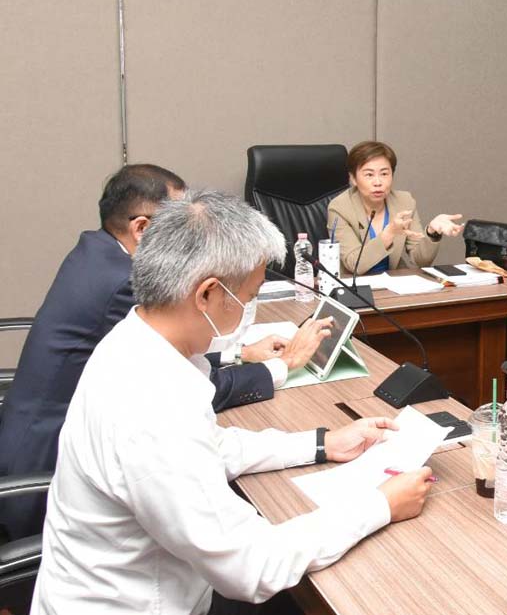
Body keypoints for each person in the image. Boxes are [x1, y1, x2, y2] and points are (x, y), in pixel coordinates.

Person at [30, 191, 432, 614]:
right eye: (250, 296)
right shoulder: (152, 405)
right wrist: (380, 505)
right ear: (206, 294)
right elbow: (252, 567)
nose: (249, 309)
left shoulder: (138, 341)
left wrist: (321, 443)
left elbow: (209, 446)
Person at [0, 165, 330, 541]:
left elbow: (178, 360)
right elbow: (196, 387)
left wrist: (240, 354)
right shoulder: (123, 286)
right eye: (177, 218)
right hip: (43, 469)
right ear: (142, 228)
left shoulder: (96, 253)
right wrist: (281, 366)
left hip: (37, 436)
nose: (188, 230)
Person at [327, 141, 463, 276]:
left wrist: (432, 232)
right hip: (356, 284)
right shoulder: (340, 208)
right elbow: (353, 264)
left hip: (394, 283)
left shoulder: (404, 202)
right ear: (353, 179)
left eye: (384, 174)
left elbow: (421, 260)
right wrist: (389, 234)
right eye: (369, 175)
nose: (378, 182)